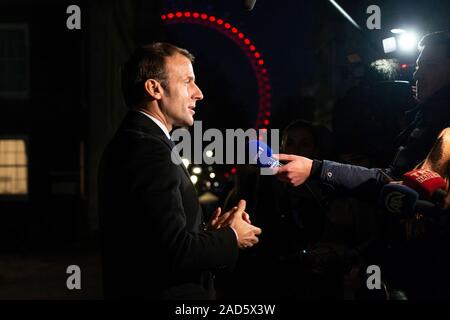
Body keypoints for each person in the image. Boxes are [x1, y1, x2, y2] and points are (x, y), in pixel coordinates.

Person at [98, 42, 262, 299]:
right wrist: (231, 236)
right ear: (154, 88)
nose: (199, 93)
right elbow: (172, 252)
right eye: (188, 81)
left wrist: (209, 234)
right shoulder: (147, 149)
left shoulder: (142, 142)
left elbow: (150, 240)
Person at [275, 31, 450, 197]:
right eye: (419, 65)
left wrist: (315, 169)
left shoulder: (441, 125)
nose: (417, 73)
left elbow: (394, 181)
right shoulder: (423, 117)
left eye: (430, 66)